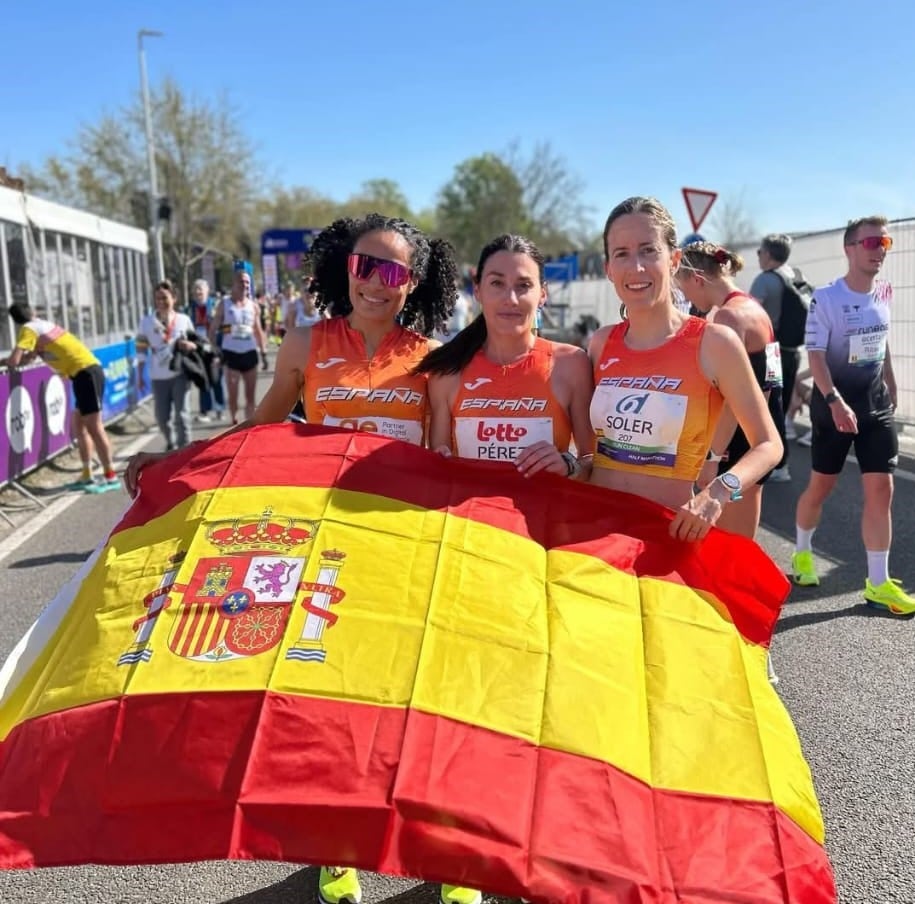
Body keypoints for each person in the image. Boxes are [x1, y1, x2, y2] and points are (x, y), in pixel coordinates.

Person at [124, 212, 468, 904]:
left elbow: (449, 456)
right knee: (329, 704)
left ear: (412, 284)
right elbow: (261, 426)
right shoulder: (306, 341)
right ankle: (335, 849)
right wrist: (181, 459)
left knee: (421, 700)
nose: (377, 282)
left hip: (405, 546)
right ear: (346, 268)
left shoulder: (433, 352)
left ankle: (446, 857)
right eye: (366, 265)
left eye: (395, 271)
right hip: (327, 545)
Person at [587, 196, 781, 545]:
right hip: (598, 533)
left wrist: (720, 491)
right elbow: (588, 451)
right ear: (608, 269)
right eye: (622, 254)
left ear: (674, 259)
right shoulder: (600, 344)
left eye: (649, 250)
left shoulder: (714, 342)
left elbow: (769, 444)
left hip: (668, 536)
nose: (637, 267)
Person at [791, 216, 914, 613]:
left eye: (885, 242)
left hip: (875, 405)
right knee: (821, 487)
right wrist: (833, 401)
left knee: (882, 489)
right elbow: (816, 355)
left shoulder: (884, 292)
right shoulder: (826, 299)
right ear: (850, 248)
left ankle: (877, 582)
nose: (879, 249)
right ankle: (802, 553)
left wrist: (891, 381)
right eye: (871, 242)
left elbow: (881, 341)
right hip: (833, 407)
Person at [417, 234, 594, 479]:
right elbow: (438, 466)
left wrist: (568, 465)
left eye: (523, 286)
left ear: (543, 294)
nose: (510, 299)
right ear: (477, 290)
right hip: (471, 517)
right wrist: (440, 464)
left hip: (544, 516)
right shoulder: (447, 373)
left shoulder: (572, 364)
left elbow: (594, 463)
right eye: (497, 284)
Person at [675, 241, 782, 539]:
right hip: (765, 426)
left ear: (697, 279)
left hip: (740, 440)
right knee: (742, 538)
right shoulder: (752, 307)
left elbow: (733, 400)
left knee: (727, 545)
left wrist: (712, 457)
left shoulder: (727, 317)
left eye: (685, 290)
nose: (688, 300)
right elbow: (769, 380)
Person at [1, 301, 119, 491]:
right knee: (78, 425)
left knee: (94, 428)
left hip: (86, 373)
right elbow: (29, 357)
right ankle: (87, 475)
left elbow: (15, 361)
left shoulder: (29, 329)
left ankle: (111, 476)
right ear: (31, 311)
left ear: (15, 321)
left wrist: (5, 361)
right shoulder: (40, 326)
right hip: (82, 374)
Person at [750, 234, 803, 481]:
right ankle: (780, 462)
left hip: (771, 353)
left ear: (768, 254)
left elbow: (749, 317)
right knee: (778, 404)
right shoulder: (792, 275)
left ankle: (777, 463)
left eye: (760, 252)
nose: (758, 256)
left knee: (771, 407)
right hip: (793, 351)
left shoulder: (764, 280)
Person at [136, 280, 196, 452]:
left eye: (165, 298)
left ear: (174, 298)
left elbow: (195, 343)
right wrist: (140, 376)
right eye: (158, 298)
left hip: (180, 374)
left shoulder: (183, 320)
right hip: (158, 376)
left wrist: (190, 346)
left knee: (182, 415)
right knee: (162, 418)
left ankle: (186, 451)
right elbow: (141, 351)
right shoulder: (146, 323)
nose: (161, 301)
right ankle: (171, 441)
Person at [209, 267, 268, 424]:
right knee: (233, 395)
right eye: (241, 282)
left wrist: (263, 353)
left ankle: (249, 427)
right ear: (234, 284)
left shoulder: (253, 306)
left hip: (249, 352)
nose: (245, 285)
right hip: (231, 353)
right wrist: (216, 349)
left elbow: (258, 330)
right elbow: (213, 329)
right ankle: (234, 421)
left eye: (247, 282)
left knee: (250, 396)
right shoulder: (225, 304)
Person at [189, 278, 225, 422]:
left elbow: (223, 328)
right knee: (202, 380)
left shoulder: (216, 306)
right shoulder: (190, 308)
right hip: (198, 349)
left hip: (214, 347)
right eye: (196, 290)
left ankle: (220, 409)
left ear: (207, 291)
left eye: (201, 289)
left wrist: (219, 349)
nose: (198, 292)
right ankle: (205, 411)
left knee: (216, 379)